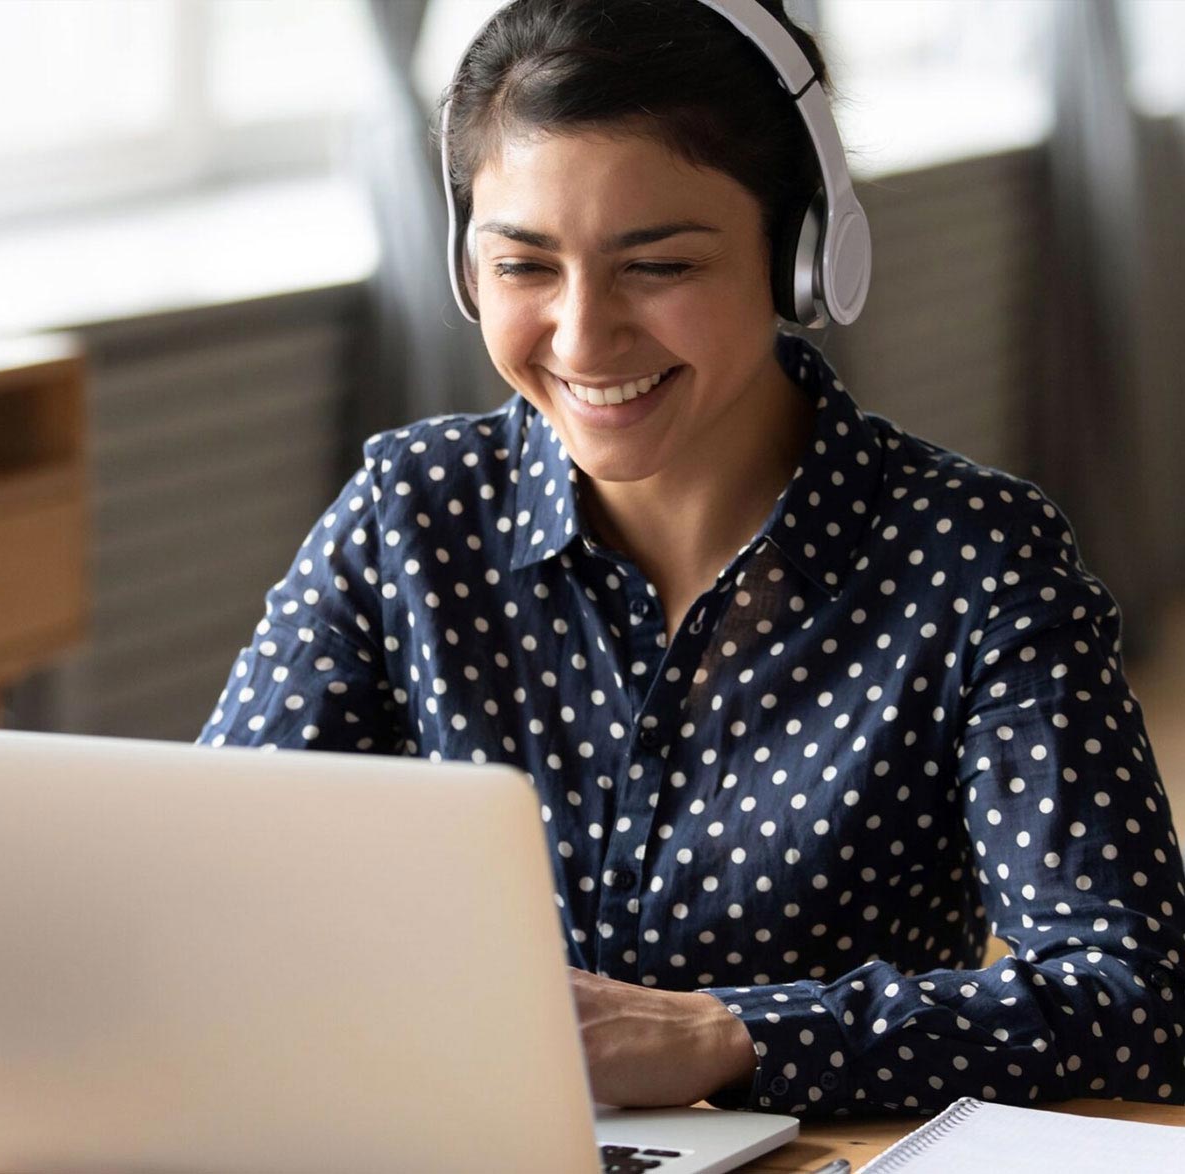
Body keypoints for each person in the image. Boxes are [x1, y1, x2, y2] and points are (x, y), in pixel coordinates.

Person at [199, 0, 1185, 1117]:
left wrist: (729, 1036)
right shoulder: (408, 518)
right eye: (525, 265)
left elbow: (1138, 996)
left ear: (804, 255)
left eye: (657, 266)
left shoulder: (971, 559)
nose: (582, 337)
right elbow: (212, 885)